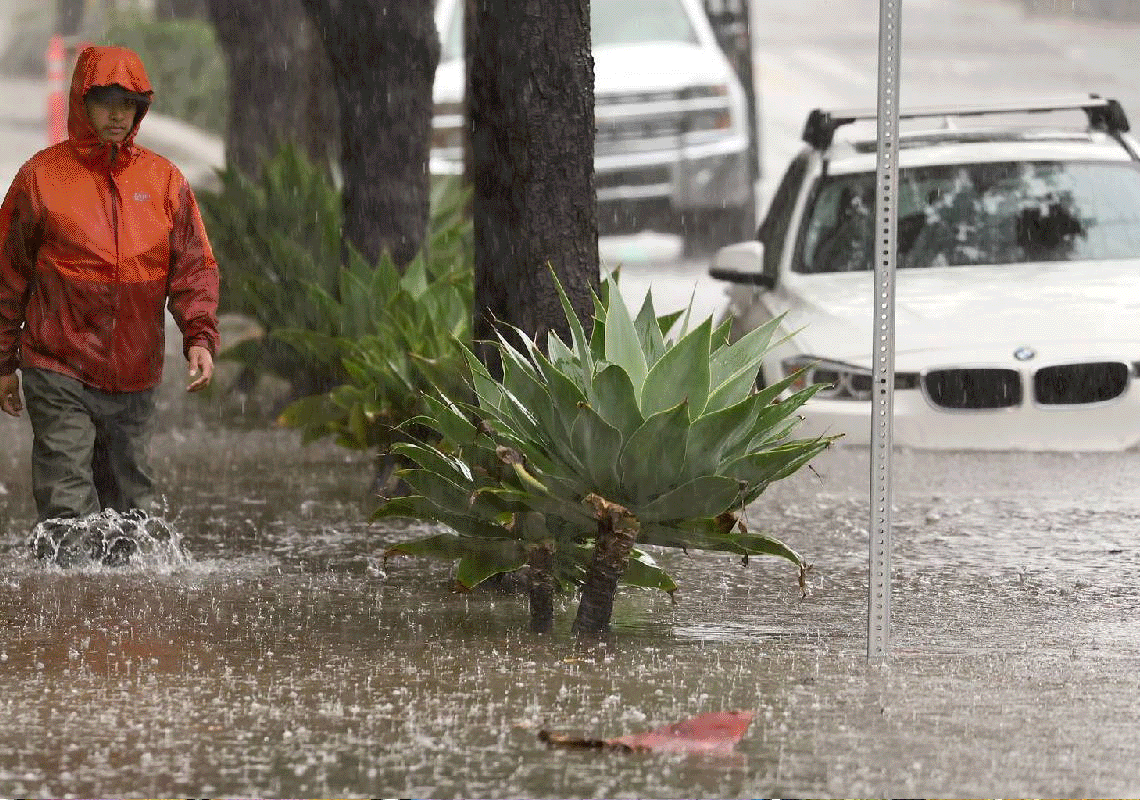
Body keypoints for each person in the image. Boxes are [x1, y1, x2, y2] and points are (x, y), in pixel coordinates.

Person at [0, 45, 219, 552]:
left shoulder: (165, 182)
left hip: (134, 376)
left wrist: (199, 339)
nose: (117, 114)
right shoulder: (41, 178)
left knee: (133, 520)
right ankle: (67, 617)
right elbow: (8, 276)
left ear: (142, 108)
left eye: (129, 103)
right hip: (58, 368)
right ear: (83, 102)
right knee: (67, 512)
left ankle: (124, 628)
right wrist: (5, 362)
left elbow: (194, 268)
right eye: (105, 101)